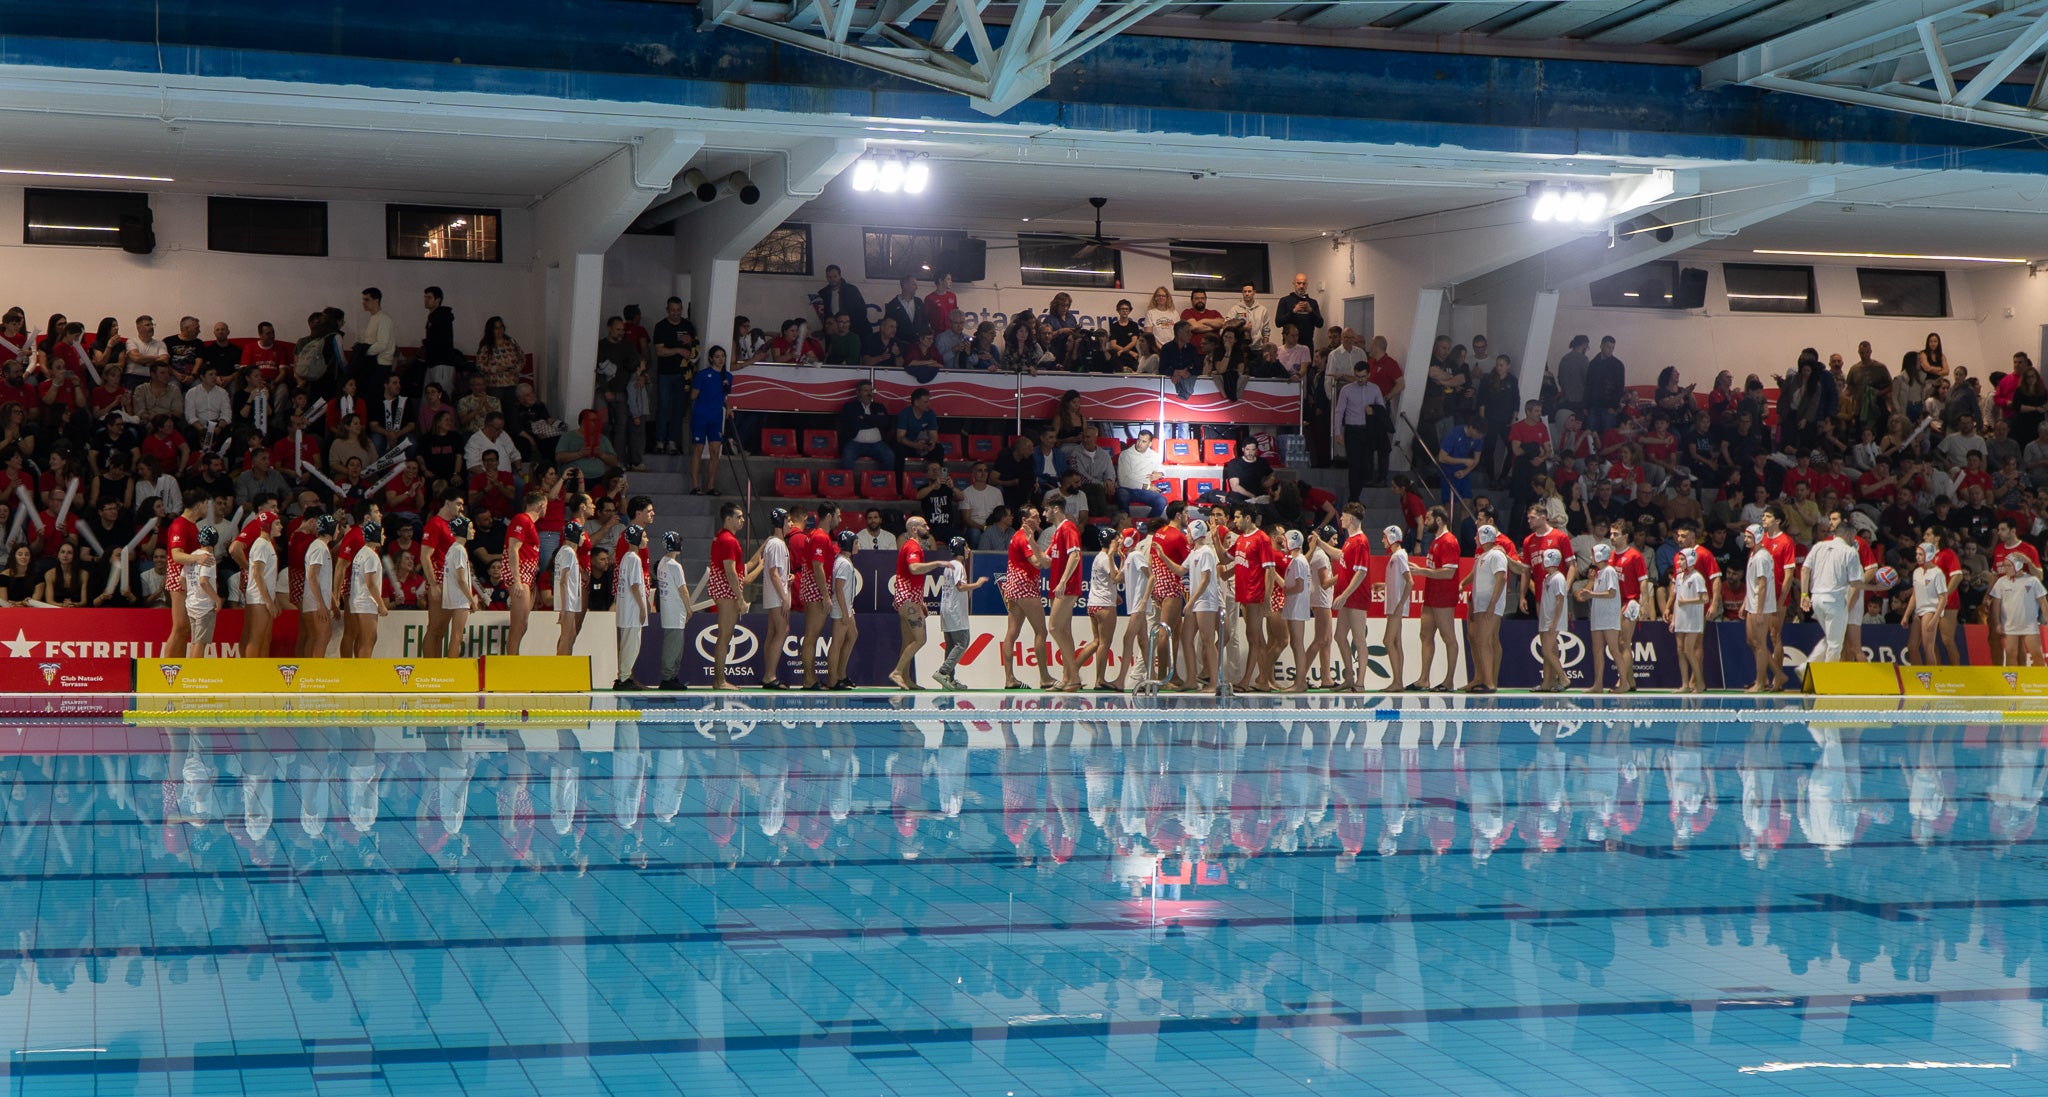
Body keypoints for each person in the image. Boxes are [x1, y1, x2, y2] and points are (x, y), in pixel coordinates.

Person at [889, 515, 946, 690]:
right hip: (908, 600)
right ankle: (897, 672)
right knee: (921, 639)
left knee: (908, 642)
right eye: (924, 525)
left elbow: (910, 575)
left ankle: (905, 680)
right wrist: (936, 563)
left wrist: (920, 600)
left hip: (909, 599)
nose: (928, 528)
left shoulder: (911, 546)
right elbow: (914, 569)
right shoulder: (912, 546)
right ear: (914, 529)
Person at [1000, 505, 1052, 691]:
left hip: (1013, 586)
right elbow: (1037, 563)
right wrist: (1052, 558)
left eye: (1039, 517)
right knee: (1041, 631)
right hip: (1025, 587)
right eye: (1035, 517)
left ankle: (1009, 678)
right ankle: (1045, 677)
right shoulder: (1024, 538)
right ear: (1024, 520)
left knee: (1012, 633)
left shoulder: (1020, 537)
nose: (1039, 520)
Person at [1801, 510, 1864, 664]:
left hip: (1816, 599)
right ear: (1848, 535)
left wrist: (1804, 595)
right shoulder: (1850, 552)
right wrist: (1877, 588)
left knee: (1830, 638)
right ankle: (1828, 682)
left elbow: (1804, 569)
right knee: (1835, 644)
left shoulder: (1819, 546)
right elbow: (1855, 583)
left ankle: (1806, 669)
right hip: (1835, 601)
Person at [1408, 506, 1460, 692]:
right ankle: (1424, 679)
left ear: (1439, 520)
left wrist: (1421, 571)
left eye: (1429, 518)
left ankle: (1449, 681)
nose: (1426, 521)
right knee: (1425, 635)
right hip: (1431, 596)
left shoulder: (1449, 541)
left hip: (1444, 597)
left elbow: (1449, 573)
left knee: (1448, 638)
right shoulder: (1436, 541)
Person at [1230, 505, 1280, 693]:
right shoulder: (1241, 538)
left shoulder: (1262, 539)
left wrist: (1267, 598)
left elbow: (1270, 569)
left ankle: (1248, 680)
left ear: (1248, 518)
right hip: (1244, 595)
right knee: (1256, 638)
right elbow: (1225, 558)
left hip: (1255, 596)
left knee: (1255, 639)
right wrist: (1215, 534)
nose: (1234, 521)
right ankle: (1263, 680)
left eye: (1237, 517)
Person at [690, 345, 747, 495]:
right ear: (711, 359)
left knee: (715, 451)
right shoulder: (702, 375)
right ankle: (695, 485)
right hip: (701, 415)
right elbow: (693, 395)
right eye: (717, 356)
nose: (721, 359)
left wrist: (727, 407)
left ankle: (710, 486)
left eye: (723, 356)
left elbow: (723, 397)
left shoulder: (728, 377)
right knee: (698, 449)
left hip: (716, 417)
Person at [1042, 498, 1085, 691]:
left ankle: (1074, 676)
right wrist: (1030, 541)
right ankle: (1067, 677)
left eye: (1046, 511)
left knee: (1053, 627)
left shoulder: (1068, 528)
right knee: (1064, 631)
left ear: (1055, 509)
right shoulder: (1058, 532)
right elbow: (1045, 561)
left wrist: (1062, 581)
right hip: (1060, 586)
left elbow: (1075, 555)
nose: (1044, 515)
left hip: (1067, 587)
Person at [932, 537, 986, 692]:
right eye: (967, 547)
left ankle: (949, 680)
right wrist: (977, 584)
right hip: (955, 611)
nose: (968, 550)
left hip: (946, 610)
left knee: (950, 645)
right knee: (962, 642)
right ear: (961, 549)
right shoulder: (958, 566)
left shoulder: (948, 566)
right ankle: (943, 672)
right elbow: (961, 586)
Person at [1331, 503, 1373, 690]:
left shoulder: (1361, 541)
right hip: (1347, 596)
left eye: (1343, 516)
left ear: (1352, 518)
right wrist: (1319, 543)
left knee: (1358, 639)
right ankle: (1349, 677)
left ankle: (1361, 682)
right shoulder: (1349, 541)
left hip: (1356, 597)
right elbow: (1339, 555)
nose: (1341, 519)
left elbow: (1361, 572)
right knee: (1340, 636)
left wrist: (1345, 595)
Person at [1463, 523, 1509, 693]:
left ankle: (1489, 683)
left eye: (1477, 535)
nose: (1475, 538)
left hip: (1491, 606)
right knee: (1482, 642)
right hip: (1481, 606)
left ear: (1483, 537)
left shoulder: (1497, 555)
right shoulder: (1483, 556)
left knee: (1484, 641)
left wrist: (1492, 604)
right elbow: (1474, 577)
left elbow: (1502, 578)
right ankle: (1484, 680)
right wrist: (1462, 584)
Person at [419, 491, 465, 659]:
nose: (461, 508)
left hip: (449, 580)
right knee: (434, 629)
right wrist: (433, 585)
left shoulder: (451, 524)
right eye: (459, 504)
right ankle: (430, 670)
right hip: (439, 578)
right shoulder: (435, 524)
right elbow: (425, 556)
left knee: (441, 630)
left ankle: (438, 671)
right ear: (447, 503)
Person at [707, 503, 748, 690]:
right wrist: (740, 598)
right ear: (728, 518)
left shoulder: (721, 537)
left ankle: (719, 680)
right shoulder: (728, 540)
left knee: (725, 635)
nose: (743, 520)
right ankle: (720, 681)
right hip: (727, 592)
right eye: (739, 517)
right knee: (724, 635)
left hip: (724, 590)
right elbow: (730, 570)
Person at [163, 497, 207, 657]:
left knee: (185, 629)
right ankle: (166, 669)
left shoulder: (192, 525)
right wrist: (199, 558)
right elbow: (176, 555)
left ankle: (180, 669)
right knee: (180, 626)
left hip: (190, 579)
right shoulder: (179, 525)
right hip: (179, 578)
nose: (208, 508)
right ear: (199, 504)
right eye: (207, 503)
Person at [1740, 525, 1780, 694]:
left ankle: (1761, 683)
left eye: (1749, 537)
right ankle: (1776, 675)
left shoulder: (1762, 557)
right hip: (1753, 603)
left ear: (1757, 537)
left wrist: (1760, 611)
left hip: (1760, 605)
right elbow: (1752, 584)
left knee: (1760, 644)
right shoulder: (1753, 554)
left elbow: (1762, 585)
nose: (1745, 540)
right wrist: (1744, 603)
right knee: (1752, 642)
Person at [1183, 518, 1221, 693]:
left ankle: (1214, 683)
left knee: (1207, 641)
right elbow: (1180, 570)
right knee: (1186, 638)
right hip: (1196, 602)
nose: (1187, 535)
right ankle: (1191, 680)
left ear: (1196, 533)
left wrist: (1190, 601)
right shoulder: (1194, 553)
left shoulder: (1206, 552)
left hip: (1205, 601)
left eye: (1189, 532)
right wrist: (1162, 556)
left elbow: (1205, 580)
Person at [1581, 542, 1622, 694]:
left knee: (1614, 649)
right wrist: (1587, 593)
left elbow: (1612, 593)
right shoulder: (1598, 573)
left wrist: (1591, 594)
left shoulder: (1609, 571)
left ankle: (1624, 682)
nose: (1590, 557)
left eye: (1592, 554)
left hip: (1609, 617)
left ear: (1598, 556)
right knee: (1597, 650)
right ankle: (1598, 684)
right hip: (1598, 616)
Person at [758, 508, 792, 689]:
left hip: (773, 594)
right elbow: (774, 574)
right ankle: (770, 676)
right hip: (777, 595)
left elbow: (777, 573)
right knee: (782, 631)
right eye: (789, 520)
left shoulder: (774, 543)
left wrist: (788, 578)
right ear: (781, 523)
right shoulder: (777, 544)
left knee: (773, 633)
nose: (791, 524)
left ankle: (768, 675)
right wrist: (785, 598)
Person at [1992, 555, 2048, 666]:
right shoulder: (2001, 582)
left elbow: (2043, 601)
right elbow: (1996, 605)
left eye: (2008, 566)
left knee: (2037, 654)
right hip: (2009, 625)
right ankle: (2011, 683)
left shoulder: (2032, 580)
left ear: (2017, 566)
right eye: (2004, 566)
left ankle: (2042, 682)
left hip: (2029, 626)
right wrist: (1997, 623)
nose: (2005, 569)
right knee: (2011, 655)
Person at [613, 524, 651, 690]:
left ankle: (624, 676)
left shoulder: (626, 557)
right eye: (644, 536)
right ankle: (624, 678)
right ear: (636, 538)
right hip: (633, 608)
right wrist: (643, 608)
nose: (647, 540)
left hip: (626, 607)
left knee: (627, 644)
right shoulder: (635, 559)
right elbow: (635, 586)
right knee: (632, 644)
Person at [243, 510, 283, 658]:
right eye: (277, 523)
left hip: (263, 598)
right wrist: (268, 601)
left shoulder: (267, 544)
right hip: (258, 599)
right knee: (256, 639)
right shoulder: (261, 545)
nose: (281, 526)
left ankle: (261, 674)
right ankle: (252, 676)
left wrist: (274, 599)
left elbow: (267, 576)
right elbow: (258, 575)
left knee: (265, 638)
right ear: (267, 525)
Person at [1276, 529, 1312, 693]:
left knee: (1297, 643)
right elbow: (1288, 585)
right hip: (1294, 606)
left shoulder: (1298, 561)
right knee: (1295, 643)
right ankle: (1300, 681)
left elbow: (1298, 586)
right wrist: (1272, 572)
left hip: (1297, 606)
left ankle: (1300, 682)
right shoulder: (1296, 561)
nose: (1282, 543)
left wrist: (1285, 592)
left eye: (1284, 540)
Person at [656, 531, 691, 691]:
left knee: (674, 645)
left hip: (669, 611)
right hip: (675, 612)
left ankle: (671, 676)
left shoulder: (663, 562)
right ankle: (668, 677)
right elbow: (682, 589)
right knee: (674, 647)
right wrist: (689, 608)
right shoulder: (674, 566)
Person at [347, 521, 388, 657]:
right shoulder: (371, 556)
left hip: (357, 600)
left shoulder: (361, 553)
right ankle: (363, 673)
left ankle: (359, 670)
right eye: (382, 534)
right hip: (366, 602)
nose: (384, 537)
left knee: (361, 639)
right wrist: (381, 604)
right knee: (368, 641)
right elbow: (370, 583)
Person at [298, 514, 336, 659]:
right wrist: (321, 604)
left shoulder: (319, 546)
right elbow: (313, 576)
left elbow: (323, 580)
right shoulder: (319, 547)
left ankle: (309, 672)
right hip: (315, 602)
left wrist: (333, 604)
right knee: (323, 636)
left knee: (314, 638)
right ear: (331, 529)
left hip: (314, 601)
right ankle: (315, 673)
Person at [1669, 548, 1706, 693]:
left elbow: (1705, 598)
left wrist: (1688, 602)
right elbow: (1678, 599)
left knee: (1689, 650)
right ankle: (1685, 684)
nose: (1679, 562)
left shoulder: (1697, 577)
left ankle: (1700, 683)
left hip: (1693, 619)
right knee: (1680, 651)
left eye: (1682, 559)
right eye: (1679, 559)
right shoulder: (1679, 577)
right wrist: (1674, 620)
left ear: (1690, 560)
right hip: (1681, 619)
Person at [827, 529, 860, 690]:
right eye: (856, 542)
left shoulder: (844, 560)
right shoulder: (843, 563)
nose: (858, 545)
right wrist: (845, 613)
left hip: (847, 607)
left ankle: (841, 674)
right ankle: (833, 680)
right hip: (842, 608)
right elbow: (838, 589)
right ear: (849, 544)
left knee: (853, 635)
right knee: (837, 642)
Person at [1380, 524, 1410, 693]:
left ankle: (1397, 681)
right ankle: (1398, 681)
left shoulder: (1399, 556)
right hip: (1394, 605)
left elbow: (1410, 581)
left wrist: (1400, 605)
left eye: (1384, 537)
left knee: (1388, 641)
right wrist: (1383, 585)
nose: (1382, 540)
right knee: (1396, 642)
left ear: (1391, 538)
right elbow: (1400, 581)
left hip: (1396, 607)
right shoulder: (1396, 557)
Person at [441, 516, 477, 657]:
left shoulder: (453, 549)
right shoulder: (460, 550)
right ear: (462, 530)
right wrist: (471, 600)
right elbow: (461, 579)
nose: (473, 531)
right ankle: (452, 668)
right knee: (457, 637)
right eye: (470, 528)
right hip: (459, 598)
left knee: (455, 636)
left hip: (453, 595)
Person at [1909, 542, 1949, 668]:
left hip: (1930, 610)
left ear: (1929, 555)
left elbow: (1943, 597)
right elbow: (1914, 595)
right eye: (1917, 554)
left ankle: (1932, 678)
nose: (1917, 557)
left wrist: (1935, 618)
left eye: (1920, 554)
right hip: (1919, 611)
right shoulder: (1916, 572)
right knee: (1912, 646)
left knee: (1928, 647)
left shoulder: (1937, 573)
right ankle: (1919, 674)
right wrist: (1906, 615)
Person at [1535, 548, 1568, 692]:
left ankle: (1564, 678)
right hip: (1546, 619)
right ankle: (1548, 682)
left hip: (1552, 620)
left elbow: (1560, 600)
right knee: (1549, 651)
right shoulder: (1548, 578)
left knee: (1547, 650)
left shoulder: (1558, 578)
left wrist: (1555, 621)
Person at [554, 519, 585, 657]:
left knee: (570, 634)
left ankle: (566, 663)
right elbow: (563, 581)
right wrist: (564, 608)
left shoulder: (564, 551)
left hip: (569, 601)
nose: (584, 538)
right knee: (566, 636)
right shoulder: (568, 553)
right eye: (582, 535)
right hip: (568, 601)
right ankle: (561, 667)